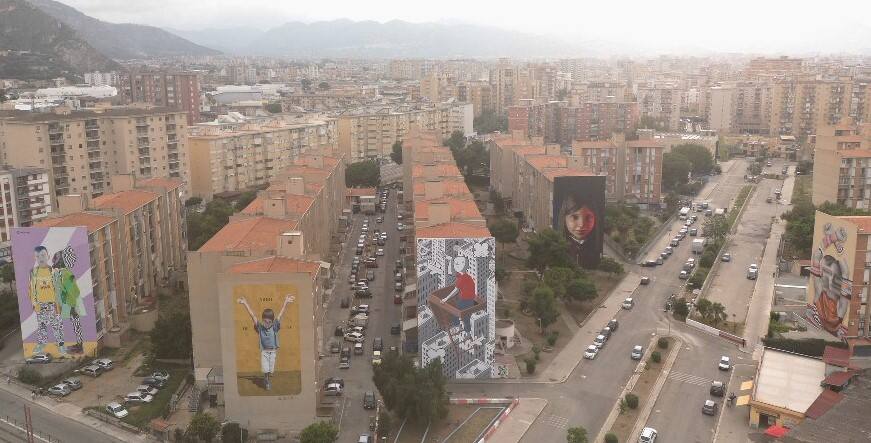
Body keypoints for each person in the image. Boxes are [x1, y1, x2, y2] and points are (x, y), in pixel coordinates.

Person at [238, 295, 295, 391]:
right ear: (262, 320)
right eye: (265, 321)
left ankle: (267, 377)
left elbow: (280, 315)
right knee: (265, 369)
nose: (266, 323)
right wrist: (245, 303)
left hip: (272, 352)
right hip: (264, 352)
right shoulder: (260, 328)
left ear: (272, 322)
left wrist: (286, 302)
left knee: (271, 370)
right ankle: (267, 381)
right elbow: (252, 316)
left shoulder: (275, 327)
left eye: (269, 322)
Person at [28, 246, 66, 356]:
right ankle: (41, 344)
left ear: (48, 256)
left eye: (43, 255)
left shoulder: (54, 271)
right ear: (35, 258)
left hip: (53, 305)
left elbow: (59, 289)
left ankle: (61, 345)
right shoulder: (33, 272)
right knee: (42, 326)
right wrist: (34, 303)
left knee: (57, 326)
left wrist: (59, 304)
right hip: (41, 305)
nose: (41, 258)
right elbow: (32, 289)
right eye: (38, 256)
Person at [53, 248, 85, 354]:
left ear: (60, 262)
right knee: (76, 323)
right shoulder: (65, 273)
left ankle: (79, 346)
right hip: (71, 303)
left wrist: (70, 305)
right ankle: (79, 344)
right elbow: (74, 290)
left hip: (71, 304)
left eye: (56, 261)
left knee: (76, 323)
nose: (54, 264)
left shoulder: (65, 274)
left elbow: (71, 290)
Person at [559, 194, 597, 266]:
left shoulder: (595, 249)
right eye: (574, 217)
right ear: (564, 219)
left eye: (588, 217)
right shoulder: (561, 248)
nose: (582, 224)